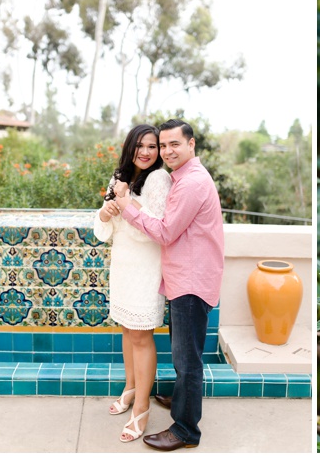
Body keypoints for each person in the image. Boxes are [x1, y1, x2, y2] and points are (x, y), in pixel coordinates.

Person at [109, 119, 224, 451]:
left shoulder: (190, 184)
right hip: (183, 278)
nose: (167, 151)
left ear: (192, 145)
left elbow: (164, 232)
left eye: (175, 144)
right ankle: (180, 400)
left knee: (188, 362)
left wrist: (128, 205)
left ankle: (186, 431)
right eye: (164, 145)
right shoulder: (183, 178)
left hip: (191, 281)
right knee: (183, 356)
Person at [94, 124, 173, 442]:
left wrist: (127, 205)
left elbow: (157, 227)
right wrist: (106, 211)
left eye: (152, 146)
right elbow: (105, 229)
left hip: (146, 268)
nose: (145, 151)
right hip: (123, 266)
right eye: (139, 145)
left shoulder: (159, 178)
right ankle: (129, 388)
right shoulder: (120, 178)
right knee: (128, 330)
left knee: (142, 336)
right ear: (130, 147)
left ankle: (142, 407)